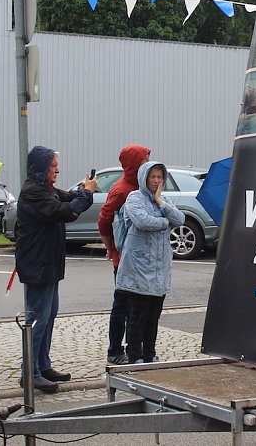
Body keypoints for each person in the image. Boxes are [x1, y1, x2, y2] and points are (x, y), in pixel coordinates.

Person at [14, 146, 97, 393]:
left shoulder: (45, 190)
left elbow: (68, 198)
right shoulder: (33, 192)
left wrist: (84, 191)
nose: (57, 170)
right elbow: (65, 212)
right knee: (37, 318)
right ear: (40, 168)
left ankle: (43, 365)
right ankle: (29, 372)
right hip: (37, 264)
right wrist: (84, 195)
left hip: (48, 263)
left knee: (49, 315)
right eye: (52, 165)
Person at [116, 161, 185, 364]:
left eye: (159, 177)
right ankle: (135, 354)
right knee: (137, 314)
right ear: (144, 178)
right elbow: (143, 221)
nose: (156, 181)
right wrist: (165, 222)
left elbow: (180, 219)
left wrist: (161, 203)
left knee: (154, 315)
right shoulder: (134, 197)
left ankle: (150, 352)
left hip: (159, 267)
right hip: (139, 267)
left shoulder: (164, 199)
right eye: (152, 177)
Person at [97, 144, 151, 365]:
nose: (148, 162)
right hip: (125, 258)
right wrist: (111, 247)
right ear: (135, 163)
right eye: (145, 159)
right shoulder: (122, 190)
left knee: (138, 307)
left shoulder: (142, 186)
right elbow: (104, 219)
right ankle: (115, 350)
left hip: (141, 257)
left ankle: (134, 350)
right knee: (122, 305)